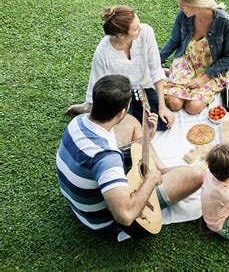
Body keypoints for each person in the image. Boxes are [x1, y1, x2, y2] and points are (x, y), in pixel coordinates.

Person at [57, 75, 204, 239]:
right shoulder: (107, 159)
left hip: (83, 204)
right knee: (196, 175)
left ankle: (160, 169)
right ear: (121, 112)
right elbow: (125, 216)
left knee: (132, 122)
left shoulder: (78, 122)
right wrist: (151, 179)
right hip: (107, 221)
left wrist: (146, 138)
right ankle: (160, 171)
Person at [65, 5, 175, 130]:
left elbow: (155, 69)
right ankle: (85, 107)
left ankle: (140, 111)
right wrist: (94, 106)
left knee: (161, 124)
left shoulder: (146, 32)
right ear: (122, 35)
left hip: (144, 86)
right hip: (121, 94)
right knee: (125, 130)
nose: (140, 29)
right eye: (136, 29)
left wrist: (162, 107)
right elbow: (98, 87)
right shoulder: (102, 52)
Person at [160, 0, 229, 115]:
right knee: (174, 103)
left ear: (196, 2)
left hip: (210, 68)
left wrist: (204, 78)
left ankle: (169, 74)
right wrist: (156, 61)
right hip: (186, 61)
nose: (180, 8)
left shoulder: (224, 22)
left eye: (183, 4)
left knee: (192, 107)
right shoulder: (183, 16)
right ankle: (170, 72)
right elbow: (174, 41)